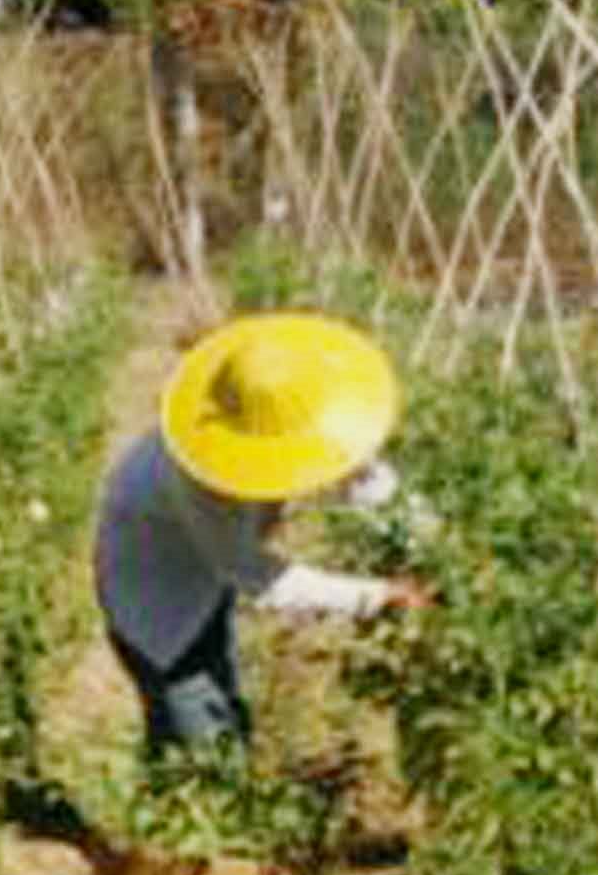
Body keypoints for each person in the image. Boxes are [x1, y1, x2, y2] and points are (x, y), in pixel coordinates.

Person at [95, 312, 428, 754]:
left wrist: (428, 540)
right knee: (199, 736)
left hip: (204, 579)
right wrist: (379, 595)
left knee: (224, 698)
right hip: (157, 607)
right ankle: (192, 781)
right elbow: (259, 577)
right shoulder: (196, 476)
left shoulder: (298, 410)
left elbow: (359, 473)